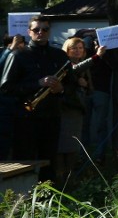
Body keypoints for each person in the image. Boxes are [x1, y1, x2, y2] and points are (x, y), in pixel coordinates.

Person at [0, 16, 68, 182]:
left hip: (52, 116)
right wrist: (37, 83)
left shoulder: (59, 55)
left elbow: (71, 84)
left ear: (49, 31)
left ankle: (49, 200)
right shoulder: (18, 55)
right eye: (36, 29)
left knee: (49, 160)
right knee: (25, 160)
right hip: (25, 118)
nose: (41, 33)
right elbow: (5, 87)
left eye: (45, 29)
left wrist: (61, 89)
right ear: (29, 32)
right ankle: (23, 199)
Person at [56, 38, 107, 185]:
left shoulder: (82, 67)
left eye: (80, 48)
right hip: (67, 108)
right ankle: (62, 179)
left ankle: (71, 178)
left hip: (77, 108)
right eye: (74, 48)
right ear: (67, 50)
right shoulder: (66, 64)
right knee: (64, 144)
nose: (78, 51)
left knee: (74, 144)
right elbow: (73, 70)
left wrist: (84, 86)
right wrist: (97, 56)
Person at [0, 34, 26, 159]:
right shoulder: (5, 55)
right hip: (5, 107)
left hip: (23, 106)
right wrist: (11, 49)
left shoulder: (27, 57)